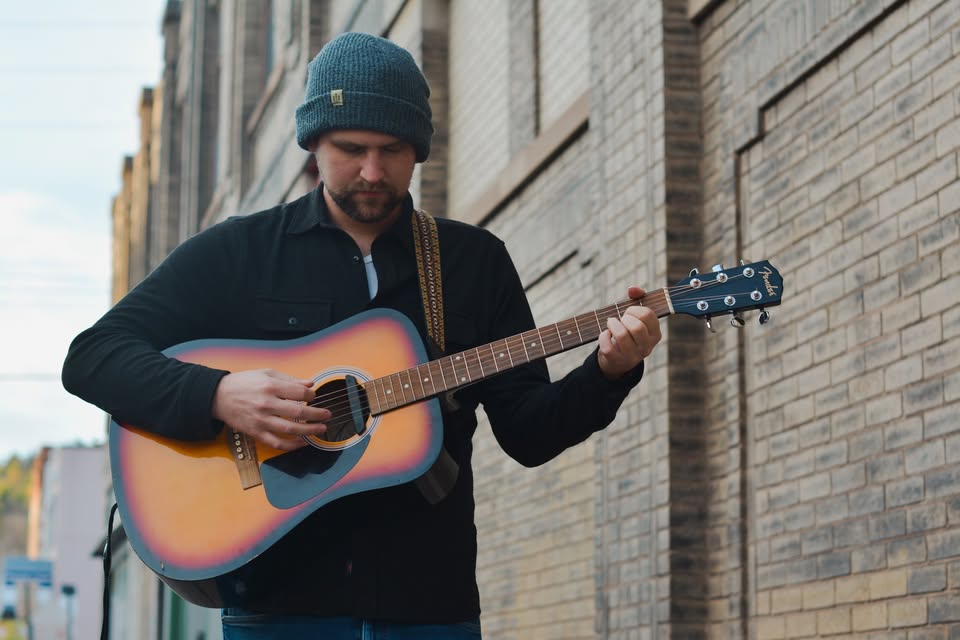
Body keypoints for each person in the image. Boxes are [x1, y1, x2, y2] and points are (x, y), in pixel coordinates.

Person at [62, 32, 661, 639]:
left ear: (420, 149)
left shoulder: (471, 263)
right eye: (351, 148)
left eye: (394, 150)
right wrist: (218, 395)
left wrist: (609, 374)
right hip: (278, 608)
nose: (373, 172)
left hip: (431, 609)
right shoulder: (239, 253)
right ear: (313, 144)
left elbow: (531, 433)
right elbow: (93, 357)